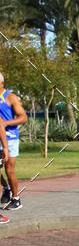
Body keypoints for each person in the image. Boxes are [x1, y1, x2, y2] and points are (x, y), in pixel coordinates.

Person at [0, 73, 28, 209]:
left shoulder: (10, 97)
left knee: (8, 168)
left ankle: (16, 198)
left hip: (10, 138)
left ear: (1, 83)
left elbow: (23, 117)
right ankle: (6, 188)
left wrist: (6, 123)